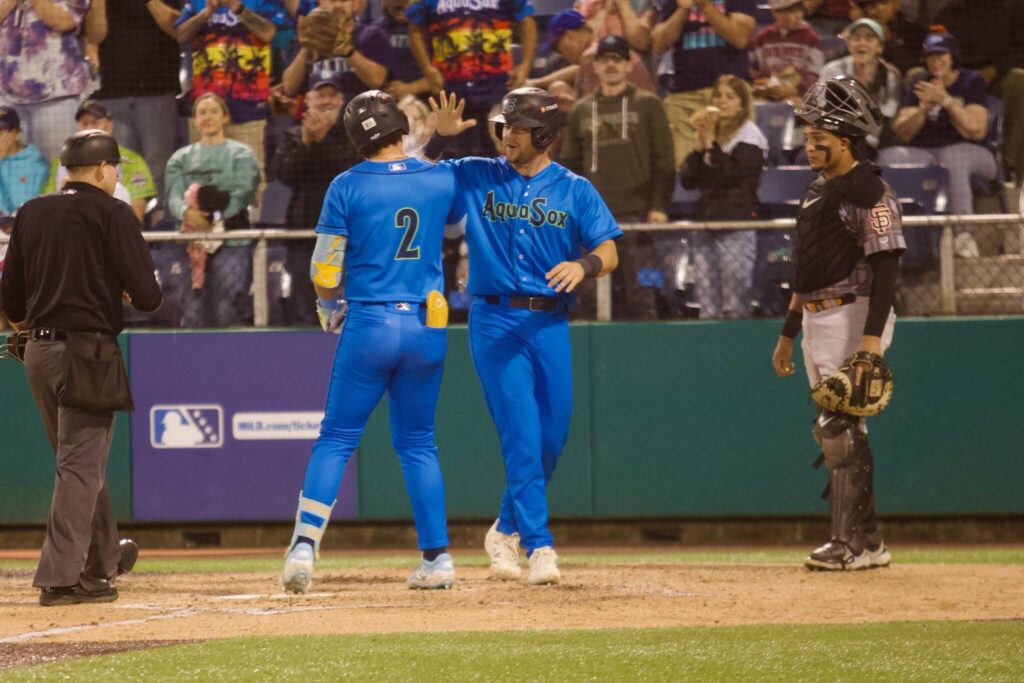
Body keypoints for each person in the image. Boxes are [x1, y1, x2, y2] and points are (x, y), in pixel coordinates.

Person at [427, 88, 621, 584]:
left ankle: (504, 529)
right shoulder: (477, 172)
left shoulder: (575, 188)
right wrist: (436, 141)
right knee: (522, 436)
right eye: (504, 126)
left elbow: (609, 251)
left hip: (550, 322)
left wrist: (584, 265)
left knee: (552, 437)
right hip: (494, 321)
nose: (507, 135)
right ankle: (540, 546)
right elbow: (419, 185)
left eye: (517, 128)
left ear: (544, 134)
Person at [281, 89, 467, 593]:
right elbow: (454, 231)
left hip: (370, 321)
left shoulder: (346, 184)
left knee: (338, 439)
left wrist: (326, 306)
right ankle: (438, 558)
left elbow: (324, 267)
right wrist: (436, 148)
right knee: (418, 443)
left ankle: (303, 548)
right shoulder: (438, 176)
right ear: (399, 126)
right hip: (428, 324)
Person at [0, 130, 162, 605]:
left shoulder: (32, 211)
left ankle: (103, 558)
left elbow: (9, 295)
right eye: (114, 169)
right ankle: (62, 577)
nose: (115, 177)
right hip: (88, 353)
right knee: (79, 465)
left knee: (79, 463)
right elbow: (150, 298)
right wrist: (123, 290)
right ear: (103, 170)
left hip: (38, 352)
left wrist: (33, 329)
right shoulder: (113, 213)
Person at [771, 77, 903, 571]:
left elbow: (887, 265)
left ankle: (847, 543)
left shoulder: (873, 192)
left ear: (845, 141)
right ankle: (868, 541)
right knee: (839, 428)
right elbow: (807, 270)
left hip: (855, 310)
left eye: (819, 139)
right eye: (807, 138)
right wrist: (788, 331)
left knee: (838, 425)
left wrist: (870, 342)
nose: (810, 145)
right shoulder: (819, 190)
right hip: (817, 316)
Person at [560, 36, 675, 320]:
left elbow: (665, 160)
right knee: (588, 296)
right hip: (592, 218)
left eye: (617, 59)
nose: (610, 65)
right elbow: (570, 165)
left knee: (643, 293)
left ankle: (647, 358)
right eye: (604, 59)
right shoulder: (582, 109)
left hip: (639, 216)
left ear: (628, 65)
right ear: (595, 66)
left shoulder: (649, 104)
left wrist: (658, 205)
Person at [879, 28, 996, 256]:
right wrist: (923, 109)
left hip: (975, 154)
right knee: (887, 157)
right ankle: (887, 233)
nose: (936, 61)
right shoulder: (919, 83)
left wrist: (946, 100)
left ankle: (963, 233)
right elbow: (902, 133)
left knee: (953, 157)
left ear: (953, 56)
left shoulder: (971, 82)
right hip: (926, 152)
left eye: (941, 55)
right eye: (931, 56)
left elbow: (977, 130)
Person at [165, 93, 260, 327]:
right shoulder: (179, 159)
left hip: (232, 241)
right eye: (202, 112)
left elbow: (242, 193)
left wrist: (215, 218)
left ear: (225, 117)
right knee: (192, 310)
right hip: (191, 241)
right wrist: (188, 215)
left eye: (213, 111)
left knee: (226, 306)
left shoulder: (241, 155)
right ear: (195, 120)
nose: (207, 117)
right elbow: (173, 197)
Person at [176, 0, 288, 194]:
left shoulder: (260, 2)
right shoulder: (197, 2)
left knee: (250, 177)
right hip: (205, 108)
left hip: (249, 106)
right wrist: (207, 12)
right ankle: (204, 223)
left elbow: (268, 32)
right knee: (200, 179)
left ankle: (251, 223)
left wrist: (237, 7)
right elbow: (181, 35)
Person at [273, 74, 360, 326]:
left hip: (348, 235)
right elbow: (285, 174)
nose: (325, 101)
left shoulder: (354, 135)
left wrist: (319, 141)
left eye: (332, 95)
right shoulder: (292, 134)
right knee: (306, 308)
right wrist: (307, 144)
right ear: (307, 100)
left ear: (342, 101)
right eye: (319, 95)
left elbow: (348, 170)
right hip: (304, 236)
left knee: (347, 308)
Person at [680, 75, 766, 319]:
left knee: (734, 304)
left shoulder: (750, 135)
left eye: (730, 96)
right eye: (718, 95)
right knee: (708, 306)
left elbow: (730, 176)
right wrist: (698, 150)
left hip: (735, 224)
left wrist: (710, 145)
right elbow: (687, 181)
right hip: (706, 223)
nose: (722, 101)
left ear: (742, 103)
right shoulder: (710, 133)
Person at [406, 0, 537, 158]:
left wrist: (525, 64)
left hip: (498, 86)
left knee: (503, 147)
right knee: (453, 153)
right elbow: (414, 28)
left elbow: (527, 22)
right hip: (450, 89)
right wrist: (427, 68)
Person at [95, 0, 183, 207]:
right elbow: (96, 35)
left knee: (158, 168)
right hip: (114, 92)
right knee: (119, 169)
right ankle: (123, 227)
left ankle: (161, 228)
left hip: (157, 89)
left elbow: (179, 29)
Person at [651, 0, 757, 167]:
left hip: (730, 95)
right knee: (682, 167)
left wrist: (705, 5)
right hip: (684, 96)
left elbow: (740, 37)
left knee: (734, 166)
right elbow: (658, 44)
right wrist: (682, 10)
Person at [0, 0, 94, 160]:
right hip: (7, 98)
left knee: (61, 166)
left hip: (56, 97)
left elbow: (64, 21)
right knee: (12, 172)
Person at [43, 100, 157, 221]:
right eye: (84, 123)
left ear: (109, 126)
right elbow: (46, 204)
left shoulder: (131, 161)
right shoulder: (61, 161)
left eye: (95, 122)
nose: (89, 128)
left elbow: (136, 213)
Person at [281, 0, 391, 102]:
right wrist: (306, 47)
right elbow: (289, 88)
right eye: (332, 0)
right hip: (317, 117)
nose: (338, 5)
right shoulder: (310, 37)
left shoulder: (372, 35)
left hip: (359, 116)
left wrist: (348, 52)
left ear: (355, 3)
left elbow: (378, 81)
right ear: (321, 3)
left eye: (344, 0)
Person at [818, 18, 902, 151]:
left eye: (869, 39)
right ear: (849, 44)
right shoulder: (832, 70)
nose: (862, 43)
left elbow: (886, 115)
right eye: (856, 38)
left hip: (869, 140)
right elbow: (823, 108)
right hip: (835, 134)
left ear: (879, 47)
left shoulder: (890, 75)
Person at [748, 0, 823, 103]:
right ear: (775, 13)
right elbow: (753, 70)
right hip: (769, 92)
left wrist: (796, 90)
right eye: (791, 12)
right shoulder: (762, 38)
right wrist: (765, 87)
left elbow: (814, 72)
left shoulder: (810, 37)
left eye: (800, 10)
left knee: (795, 105)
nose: (798, 16)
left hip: (800, 94)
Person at [849, 0, 925, 76]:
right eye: (872, 5)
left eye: (883, 3)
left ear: (896, 5)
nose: (878, 9)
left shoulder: (913, 30)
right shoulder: (858, 29)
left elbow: (913, 68)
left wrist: (889, 41)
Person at [375, 0, 430, 102]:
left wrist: (411, 88)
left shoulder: (435, 27)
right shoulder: (375, 31)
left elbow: (446, 77)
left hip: (428, 103)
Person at [0, 107, 49, 219]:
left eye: (1, 131)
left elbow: (28, 208)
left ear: (18, 133)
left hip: (23, 228)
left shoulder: (36, 165)